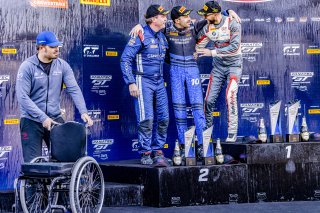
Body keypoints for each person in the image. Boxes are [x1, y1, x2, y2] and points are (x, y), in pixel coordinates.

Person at [129, 6, 240, 159]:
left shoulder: (195, 25)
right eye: (185, 16)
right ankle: (184, 147)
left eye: (189, 15)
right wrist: (139, 26)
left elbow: (214, 16)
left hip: (192, 69)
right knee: (179, 111)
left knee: (198, 110)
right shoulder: (166, 28)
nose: (189, 18)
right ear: (177, 20)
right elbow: (151, 26)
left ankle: (202, 146)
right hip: (176, 71)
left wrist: (228, 11)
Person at [16, 31, 93, 162]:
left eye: (58, 46)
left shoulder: (62, 65)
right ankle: (35, 182)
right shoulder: (27, 67)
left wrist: (83, 111)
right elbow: (22, 97)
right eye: (52, 47)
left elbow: (74, 89)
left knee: (66, 159)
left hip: (54, 119)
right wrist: (42, 117)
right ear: (41, 47)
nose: (57, 49)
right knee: (33, 165)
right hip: (31, 121)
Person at [120, 5, 170, 165]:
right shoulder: (140, 33)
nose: (166, 19)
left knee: (164, 118)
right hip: (143, 81)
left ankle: (158, 151)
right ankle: (146, 152)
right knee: (146, 119)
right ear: (154, 18)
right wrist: (131, 82)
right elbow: (125, 59)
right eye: (163, 16)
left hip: (159, 81)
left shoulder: (162, 35)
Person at [196, 1, 242, 142]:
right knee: (209, 101)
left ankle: (232, 133)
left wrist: (212, 52)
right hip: (218, 68)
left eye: (206, 14)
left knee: (230, 97)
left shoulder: (233, 23)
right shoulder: (207, 27)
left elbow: (234, 47)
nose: (204, 17)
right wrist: (196, 52)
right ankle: (207, 134)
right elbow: (198, 45)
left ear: (215, 14)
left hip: (234, 66)